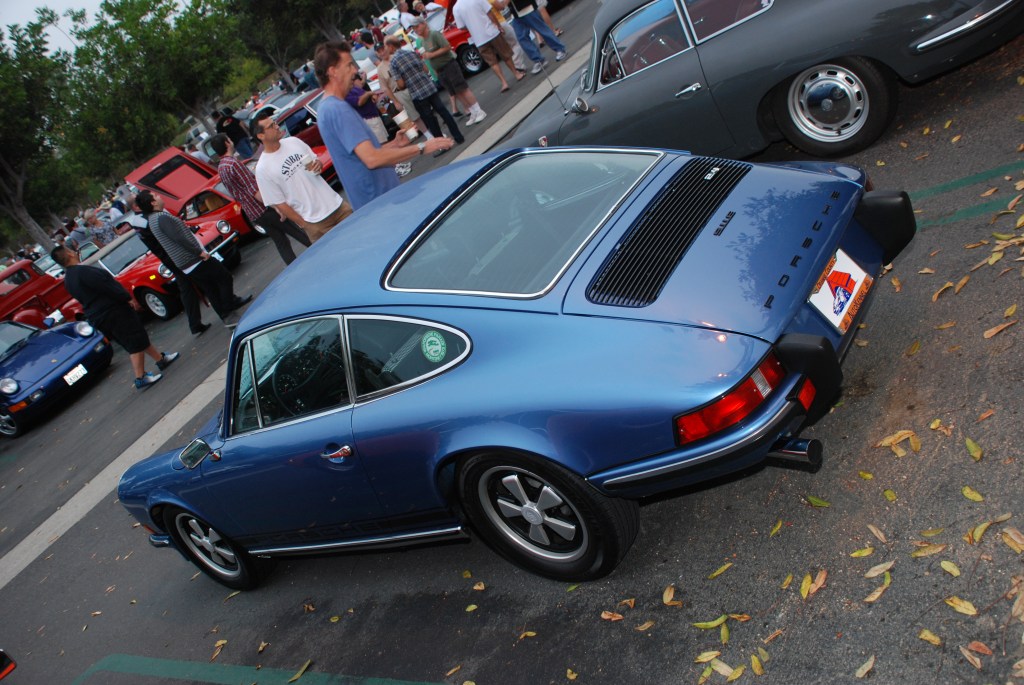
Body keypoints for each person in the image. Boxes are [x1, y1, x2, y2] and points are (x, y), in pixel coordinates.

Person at [313, 41, 454, 210]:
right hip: (382, 202)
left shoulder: (327, 108)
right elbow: (371, 159)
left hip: (381, 200)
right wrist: (422, 147)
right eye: (349, 65)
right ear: (332, 71)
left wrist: (394, 145)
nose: (354, 71)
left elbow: (361, 156)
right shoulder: (337, 109)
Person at [51, 245, 178, 390]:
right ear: (69, 254)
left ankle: (160, 359)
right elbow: (107, 286)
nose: (74, 251)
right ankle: (140, 377)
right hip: (113, 310)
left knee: (135, 338)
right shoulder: (85, 272)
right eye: (71, 250)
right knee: (134, 340)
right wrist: (125, 297)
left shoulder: (68, 280)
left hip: (98, 315)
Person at [135, 190, 252, 329]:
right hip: (193, 259)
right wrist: (199, 252)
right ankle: (228, 311)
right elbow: (179, 238)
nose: (159, 197)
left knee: (211, 289)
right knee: (224, 277)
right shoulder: (161, 218)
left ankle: (226, 316)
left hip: (186, 263)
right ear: (152, 202)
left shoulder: (153, 219)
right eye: (156, 196)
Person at [210, 134, 311, 266]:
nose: (231, 141)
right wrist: (276, 206)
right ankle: (320, 249)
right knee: (297, 231)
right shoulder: (233, 163)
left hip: (253, 213)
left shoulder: (221, 168)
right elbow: (253, 189)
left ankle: (294, 267)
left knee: (281, 242)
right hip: (264, 208)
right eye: (229, 139)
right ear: (227, 144)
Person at [252, 114, 354, 241]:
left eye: (275, 123)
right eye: (271, 126)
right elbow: (280, 203)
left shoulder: (294, 142)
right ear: (261, 136)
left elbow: (316, 162)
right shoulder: (262, 169)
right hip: (315, 222)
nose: (277, 127)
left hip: (338, 207)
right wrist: (305, 225)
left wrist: (318, 164)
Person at [124, 194, 210, 335]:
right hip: (171, 255)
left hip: (169, 255)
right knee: (196, 282)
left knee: (187, 287)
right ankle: (217, 308)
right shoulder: (142, 221)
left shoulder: (139, 220)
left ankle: (195, 323)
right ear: (136, 206)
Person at [388, 25, 465, 152]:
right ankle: (458, 136)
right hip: (428, 86)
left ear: (391, 46)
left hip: (417, 93)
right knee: (443, 112)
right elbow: (425, 69)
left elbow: (401, 84)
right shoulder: (411, 53)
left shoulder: (394, 63)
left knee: (430, 120)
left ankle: (443, 145)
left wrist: (404, 81)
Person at [411, 17, 487, 125]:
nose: (416, 29)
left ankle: (479, 110)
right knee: (455, 91)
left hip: (449, 65)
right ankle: (472, 111)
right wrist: (435, 69)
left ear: (423, 24)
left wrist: (432, 54)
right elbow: (427, 57)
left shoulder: (434, 34)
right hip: (440, 70)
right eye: (414, 28)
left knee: (462, 88)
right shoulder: (422, 41)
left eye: (417, 26)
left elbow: (447, 47)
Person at [453, 0, 525, 92]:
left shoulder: (456, 8)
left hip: (479, 38)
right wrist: (498, 26)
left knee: (493, 62)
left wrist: (471, 26)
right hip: (492, 31)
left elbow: (461, 27)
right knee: (506, 54)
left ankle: (504, 82)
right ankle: (516, 74)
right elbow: (490, 13)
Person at [500, 0, 566, 73]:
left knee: (542, 30)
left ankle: (560, 49)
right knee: (522, 38)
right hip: (516, 14)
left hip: (528, 8)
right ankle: (538, 60)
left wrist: (503, 3)